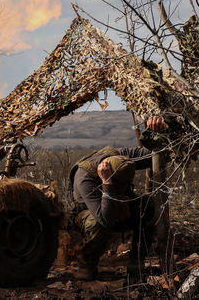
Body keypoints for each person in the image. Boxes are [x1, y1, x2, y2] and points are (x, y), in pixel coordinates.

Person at [69, 115, 165, 281]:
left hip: (118, 205)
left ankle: (136, 262)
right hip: (91, 214)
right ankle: (87, 262)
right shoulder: (85, 177)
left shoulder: (120, 156)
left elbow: (157, 155)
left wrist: (156, 132)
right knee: (96, 223)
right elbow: (106, 219)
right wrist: (107, 182)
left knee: (149, 203)